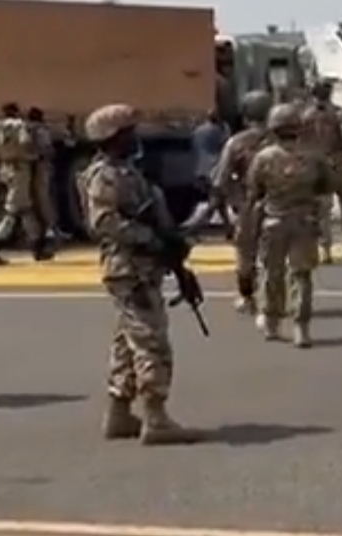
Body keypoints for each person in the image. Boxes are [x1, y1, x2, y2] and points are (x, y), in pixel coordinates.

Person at [80, 103, 201, 445]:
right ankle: (156, 417)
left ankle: (119, 413)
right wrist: (152, 240)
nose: (135, 138)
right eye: (128, 133)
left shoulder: (127, 172)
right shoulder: (104, 175)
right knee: (151, 342)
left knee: (127, 341)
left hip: (140, 268)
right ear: (112, 137)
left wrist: (173, 250)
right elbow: (104, 223)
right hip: (129, 269)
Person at [244, 103, 330, 347]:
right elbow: (325, 186)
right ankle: (301, 328)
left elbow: (254, 190)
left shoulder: (264, 157)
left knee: (272, 273)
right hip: (304, 220)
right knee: (301, 275)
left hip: (274, 220)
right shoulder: (313, 157)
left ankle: (272, 322)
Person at [210, 90, 273, 314]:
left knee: (245, 255)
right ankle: (274, 295)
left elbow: (221, 180)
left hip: (248, 204)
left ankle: (247, 297)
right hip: (280, 203)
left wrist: (230, 206)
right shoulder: (280, 139)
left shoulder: (236, 143)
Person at [301, 80, 342, 262]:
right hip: (340, 163)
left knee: (322, 211)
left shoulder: (304, 116)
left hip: (316, 166)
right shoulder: (339, 113)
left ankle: (325, 249)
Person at [0, 103, 50, 264]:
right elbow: (25, 143)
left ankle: (37, 248)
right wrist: (35, 156)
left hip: (6, 167)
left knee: (26, 210)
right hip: (21, 169)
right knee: (14, 211)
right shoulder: (19, 125)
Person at [26, 106, 61, 243]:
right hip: (41, 166)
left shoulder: (26, 129)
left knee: (34, 199)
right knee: (44, 197)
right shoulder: (40, 130)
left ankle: (43, 229)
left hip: (32, 167)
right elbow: (48, 150)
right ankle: (50, 227)